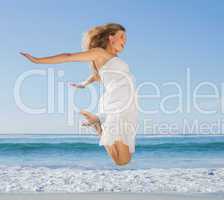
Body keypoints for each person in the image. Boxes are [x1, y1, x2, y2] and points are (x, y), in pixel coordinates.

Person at [20, 23, 139, 166]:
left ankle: (97, 123)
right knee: (122, 160)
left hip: (129, 103)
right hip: (117, 103)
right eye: (121, 37)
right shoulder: (99, 53)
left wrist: (84, 83)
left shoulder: (113, 59)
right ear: (110, 37)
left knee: (125, 158)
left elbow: (98, 76)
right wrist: (38, 61)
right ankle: (98, 124)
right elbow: (68, 56)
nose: (124, 40)